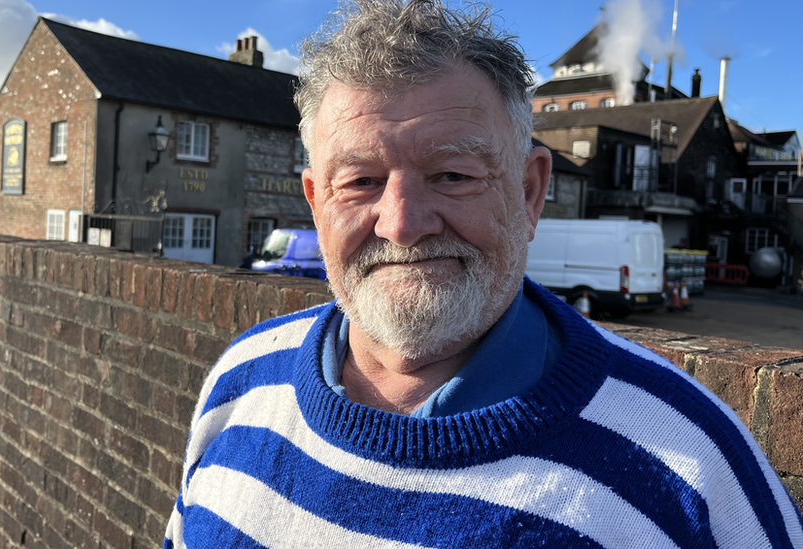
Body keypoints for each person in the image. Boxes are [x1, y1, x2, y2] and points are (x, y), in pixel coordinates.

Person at [164, 1, 803, 547]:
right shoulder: (238, 381)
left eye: (453, 176)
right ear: (315, 201)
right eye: (360, 181)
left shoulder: (691, 467)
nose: (403, 224)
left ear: (529, 193)